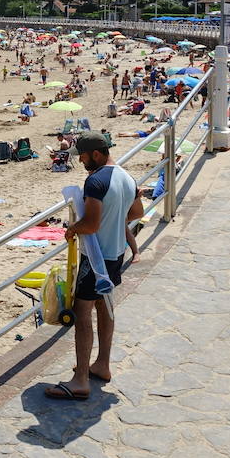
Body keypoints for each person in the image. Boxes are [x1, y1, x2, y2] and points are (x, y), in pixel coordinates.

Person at [44, 131, 142, 401]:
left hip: (96, 257)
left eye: (84, 157)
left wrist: (72, 229)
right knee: (105, 305)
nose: (82, 161)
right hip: (116, 254)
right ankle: (102, 365)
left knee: (82, 312)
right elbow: (137, 214)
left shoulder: (96, 181)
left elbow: (91, 225)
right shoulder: (126, 177)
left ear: (96, 154)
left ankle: (80, 380)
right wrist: (114, 217)